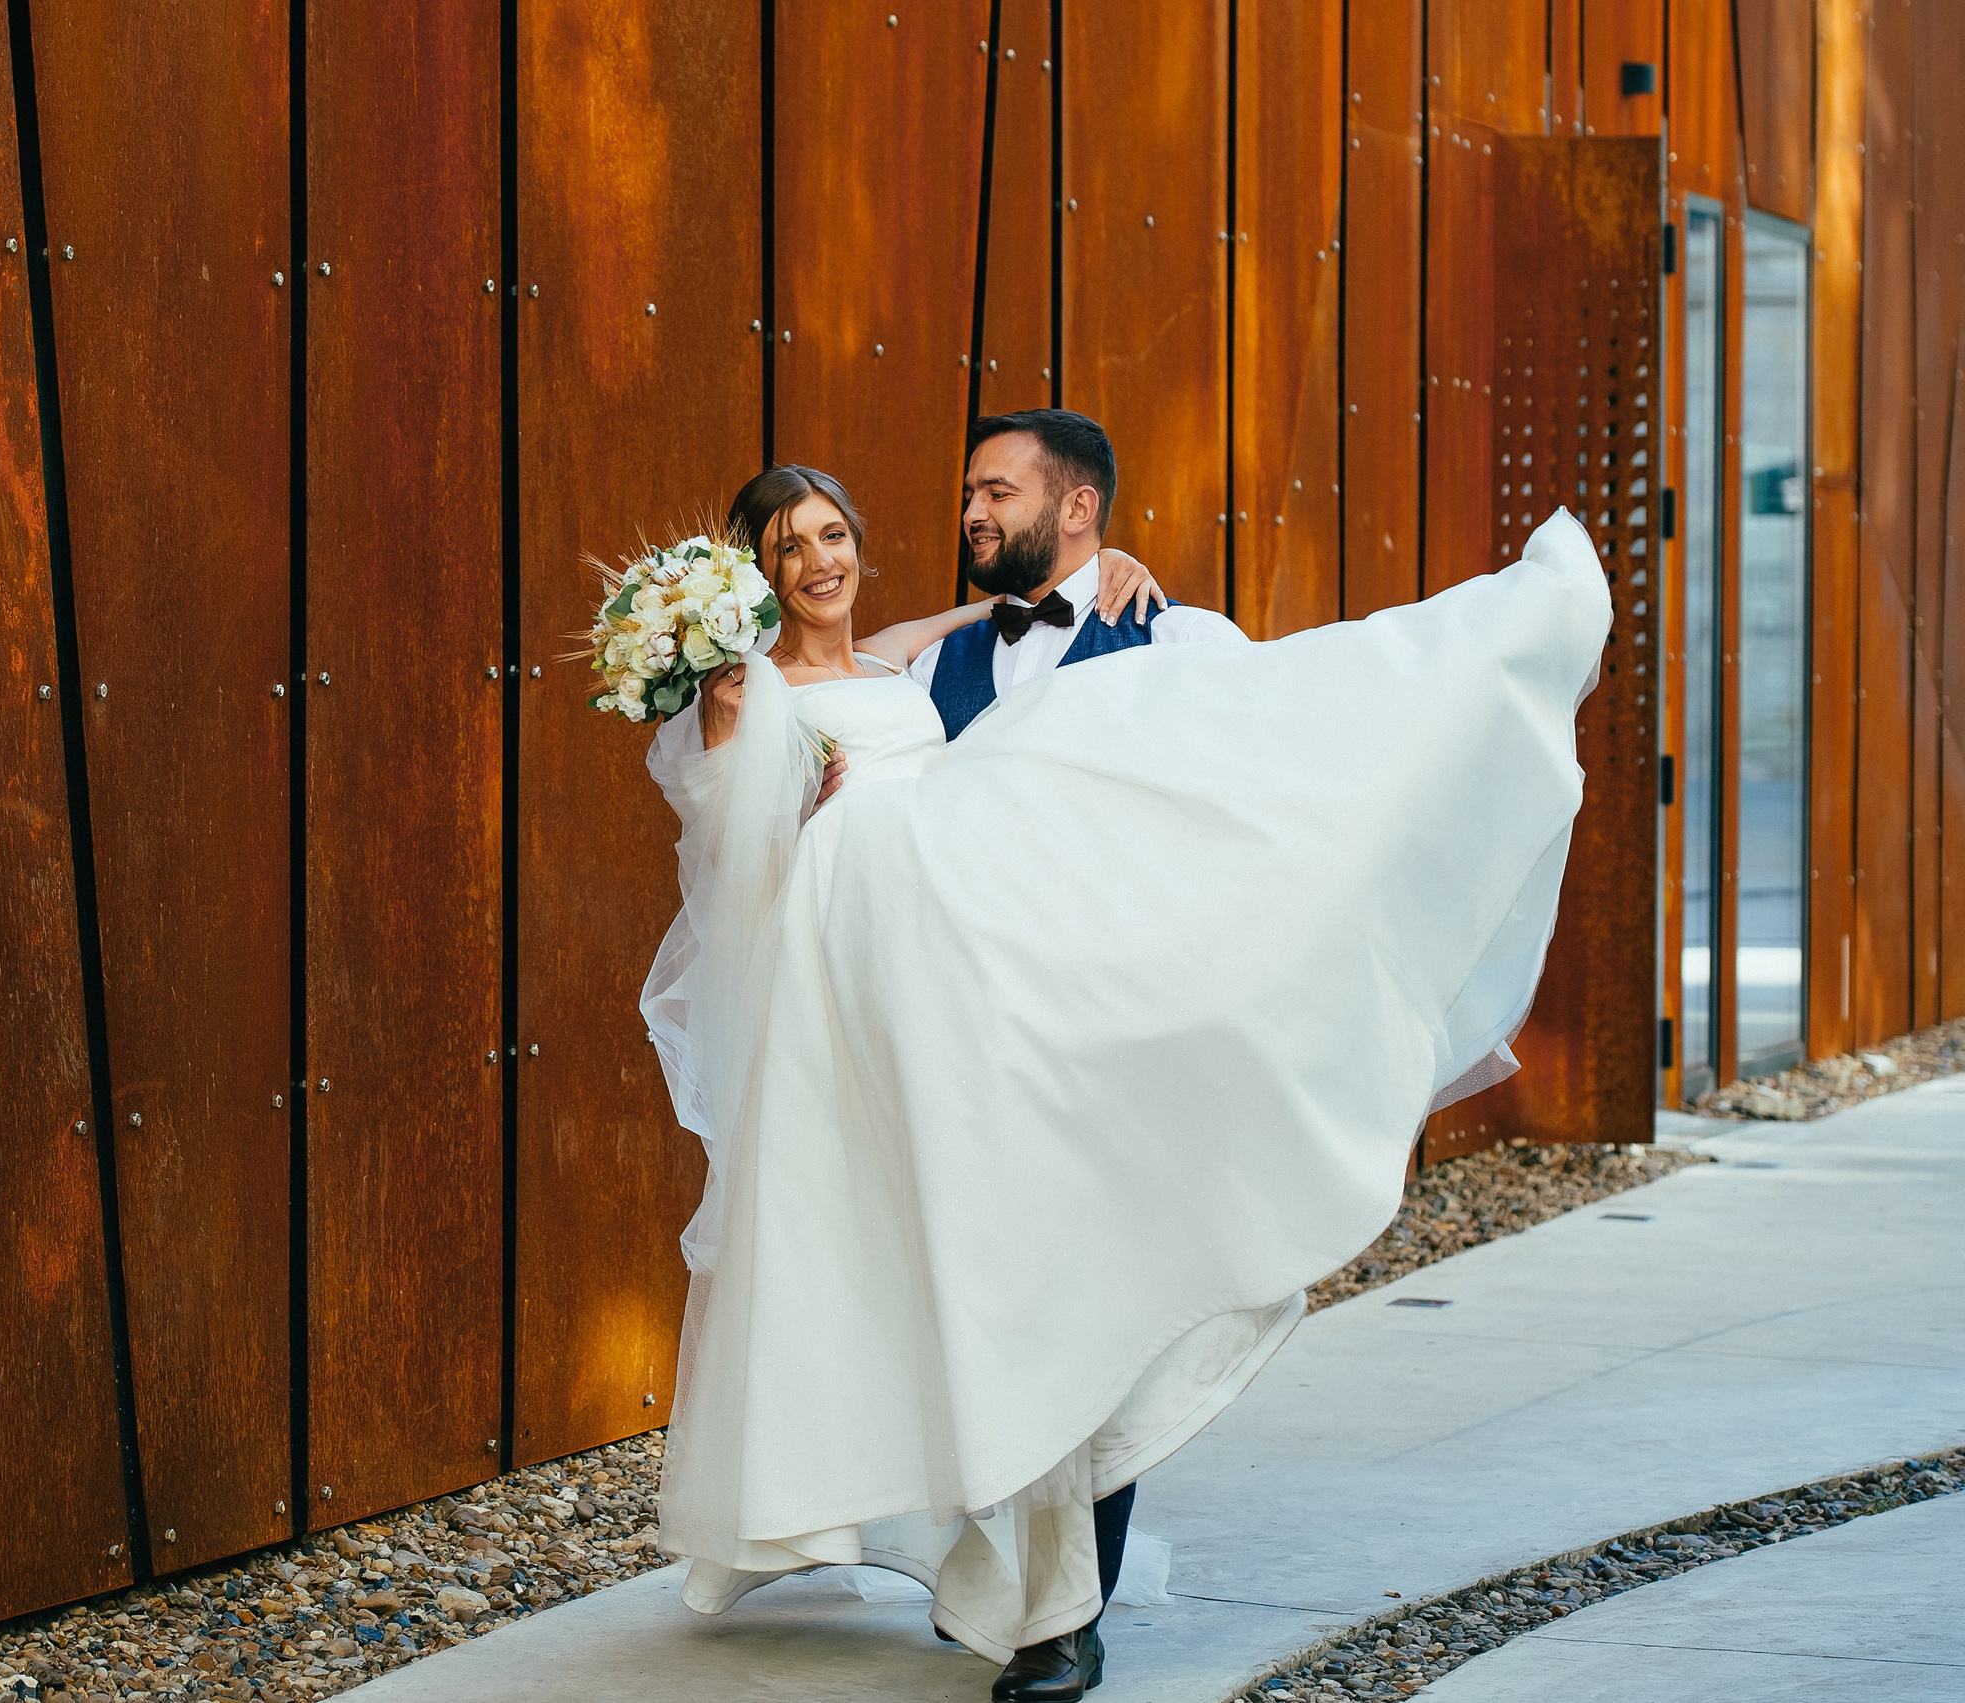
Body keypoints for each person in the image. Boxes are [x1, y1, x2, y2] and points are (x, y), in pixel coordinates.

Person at [642, 421, 1606, 1700]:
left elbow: (1257, 773)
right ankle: (1037, 1599)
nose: (970, 509)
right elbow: (744, 866)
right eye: (790, 545)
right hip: (927, 1024)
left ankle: (1487, 647)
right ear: (754, 574)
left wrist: (1110, 574)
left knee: (1084, 1282)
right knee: (990, 1290)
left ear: (1076, 505)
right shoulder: (858, 679)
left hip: (1108, 1015)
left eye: (998, 491)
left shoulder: (1147, 636)